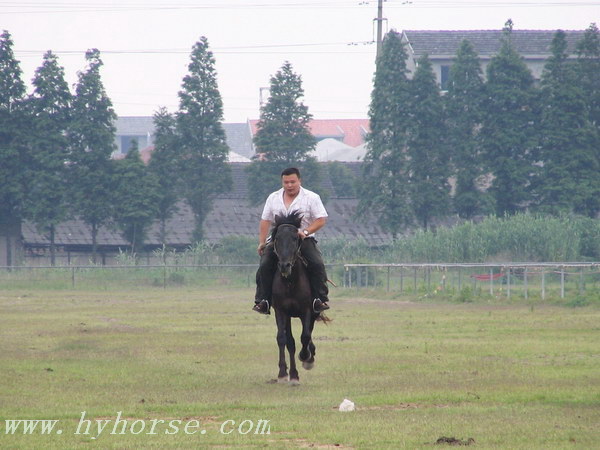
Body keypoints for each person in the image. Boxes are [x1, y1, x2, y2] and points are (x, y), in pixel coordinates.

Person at [253, 167, 330, 315]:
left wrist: (305, 231)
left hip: (302, 239)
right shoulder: (273, 197)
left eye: (292, 182)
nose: (289, 185)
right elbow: (265, 220)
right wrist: (262, 242)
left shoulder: (311, 197)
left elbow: (321, 220)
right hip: (278, 241)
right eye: (286, 182)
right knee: (264, 265)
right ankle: (263, 300)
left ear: (299, 181)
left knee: (317, 263)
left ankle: (319, 299)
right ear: (282, 182)